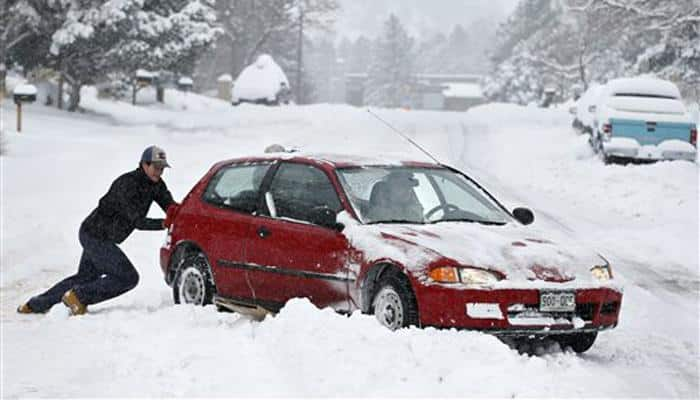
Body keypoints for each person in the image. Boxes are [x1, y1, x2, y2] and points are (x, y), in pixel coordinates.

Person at [17, 145, 177, 316]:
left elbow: (169, 204)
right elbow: (136, 220)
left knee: (84, 278)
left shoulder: (156, 185)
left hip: (102, 236)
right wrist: (163, 224)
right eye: (155, 167)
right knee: (127, 277)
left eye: (162, 169)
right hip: (95, 235)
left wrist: (178, 212)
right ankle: (78, 296)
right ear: (144, 165)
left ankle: (35, 305)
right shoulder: (127, 184)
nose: (159, 172)